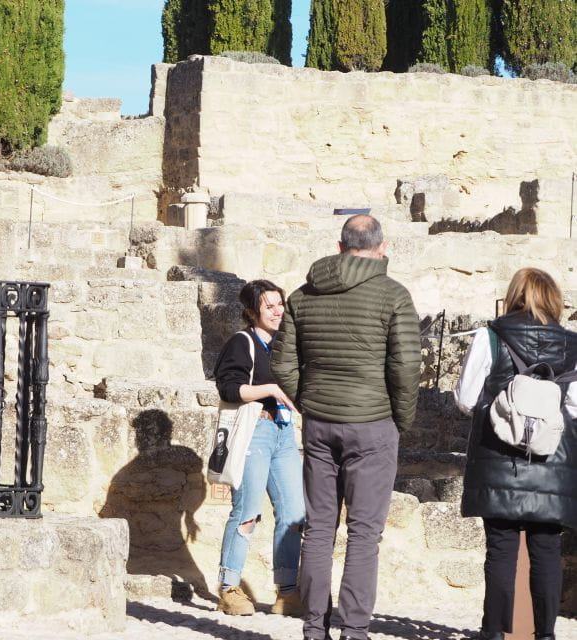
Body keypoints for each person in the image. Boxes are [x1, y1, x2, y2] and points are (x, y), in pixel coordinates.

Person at [270, 214, 421, 640]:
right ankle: (354, 630)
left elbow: (282, 362)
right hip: (373, 423)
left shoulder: (302, 296)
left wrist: (308, 400)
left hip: (319, 423)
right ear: (382, 246)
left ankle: (314, 627)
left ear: (340, 246)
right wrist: (401, 418)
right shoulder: (394, 296)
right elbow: (406, 366)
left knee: (318, 529)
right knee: (364, 533)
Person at [455, 267, 577, 640]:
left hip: (499, 457)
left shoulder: (490, 336)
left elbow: (465, 399)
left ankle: (493, 633)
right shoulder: (573, 344)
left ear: (514, 296)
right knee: (546, 551)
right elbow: (575, 408)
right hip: (552, 461)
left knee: (501, 550)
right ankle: (544, 635)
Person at [213, 279, 306, 617]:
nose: (277, 310)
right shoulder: (243, 342)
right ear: (253, 312)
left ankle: (287, 591)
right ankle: (229, 587)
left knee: (295, 512)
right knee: (247, 512)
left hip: (283, 433)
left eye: (279, 304)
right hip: (255, 430)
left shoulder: (282, 345)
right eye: (269, 306)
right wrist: (270, 388)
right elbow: (228, 389)